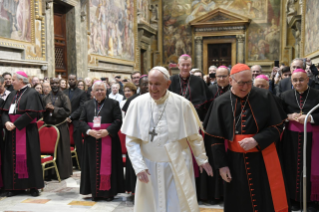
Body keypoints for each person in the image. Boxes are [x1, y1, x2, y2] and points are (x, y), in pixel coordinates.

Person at [121, 66, 213, 212]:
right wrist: (139, 166)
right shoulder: (137, 104)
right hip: (148, 165)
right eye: (150, 84)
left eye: (157, 84)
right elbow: (131, 141)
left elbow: (194, 137)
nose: (152, 88)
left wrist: (202, 159)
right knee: (150, 204)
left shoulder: (182, 104)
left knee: (177, 204)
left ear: (168, 84)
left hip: (177, 163)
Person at [204, 64, 289, 212]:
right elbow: (214, 138)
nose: (245, 87)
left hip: (263, 160)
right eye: (241, 83)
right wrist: (221, 165)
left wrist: (257, 140)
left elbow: (277, 126)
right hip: (234, 163)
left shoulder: (265, 96)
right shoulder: (220, 102)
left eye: (249, 82)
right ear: (231, 80)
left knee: (266, 201)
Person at [280, 69, 319, 212]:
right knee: (291, 166)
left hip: (313, 138)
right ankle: (294, 199)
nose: (298, 83)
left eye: (301, 79)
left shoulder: (317, 94)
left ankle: (313, 201)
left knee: (311, 168)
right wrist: (288, 116)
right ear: (291, 81)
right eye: (295, 80)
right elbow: (277, 113)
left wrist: (310, 118)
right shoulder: (284, 95)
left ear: (308, 80)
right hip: (291, 138)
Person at [1, 71, 45, 197]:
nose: (11, 82)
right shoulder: (12, 94)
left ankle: (33, 187)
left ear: (21, 81)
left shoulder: (32, 93)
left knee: (30, 159)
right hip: (11, 132)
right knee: (11, 159)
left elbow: (32, 113)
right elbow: (4, 112)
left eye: (13, 79)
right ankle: (14, 187)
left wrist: (15, 124)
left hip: (27, 132)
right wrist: (6, 123)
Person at [79, 81, 124, 201]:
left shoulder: (113, 103)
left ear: (106, 91)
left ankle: (108, 193)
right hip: (91, 141)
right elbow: (81, 121)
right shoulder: (87, 104)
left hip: (109, 139)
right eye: (97, 90)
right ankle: (95, 192)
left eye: (102, 90)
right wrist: (89, 131)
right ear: (92, 92)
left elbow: (118, 120)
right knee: (92, 166)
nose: (99, 92)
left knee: (110, 166)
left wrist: (107, 131)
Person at [121, 75, 148, 196]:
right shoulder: (133, 100)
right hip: (136, 136)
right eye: (144, 84)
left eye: (149, 84)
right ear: (139, 86)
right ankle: (133, 189)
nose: (147, 87)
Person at [42, 78, 73, 180]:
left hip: (61, 126)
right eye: (52, 83)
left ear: (59, 84)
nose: (54, 85)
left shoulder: (64, 97)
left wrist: (54, 109)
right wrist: (45, 109)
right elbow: (41, 111)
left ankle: (62, 173)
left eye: (56, 83)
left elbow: (67, 111)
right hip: (49, 127)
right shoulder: (46, 97)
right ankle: (49, 174)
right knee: (49, 150)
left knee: (61, 150)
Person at [169, 54, 213, 121]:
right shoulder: (171, 80)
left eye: (188, 65)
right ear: (178, 66)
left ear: (191, 66)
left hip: (195, 118)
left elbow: (208, 102)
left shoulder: (199, 81)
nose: (185, 67)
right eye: (183, 65)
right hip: (175, 118)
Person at [63, 74, 87, 167]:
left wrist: (71, 117)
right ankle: (67, 164)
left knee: (78, 144)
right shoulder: (64, 92)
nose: (71, 81)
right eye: (70, 79)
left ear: (76, 80)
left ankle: (80, 164)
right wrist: (65, 116)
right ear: (68, 81)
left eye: (73, 79)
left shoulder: (81, 93)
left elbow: (81, 107)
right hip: (65, 121)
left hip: (76, 121)